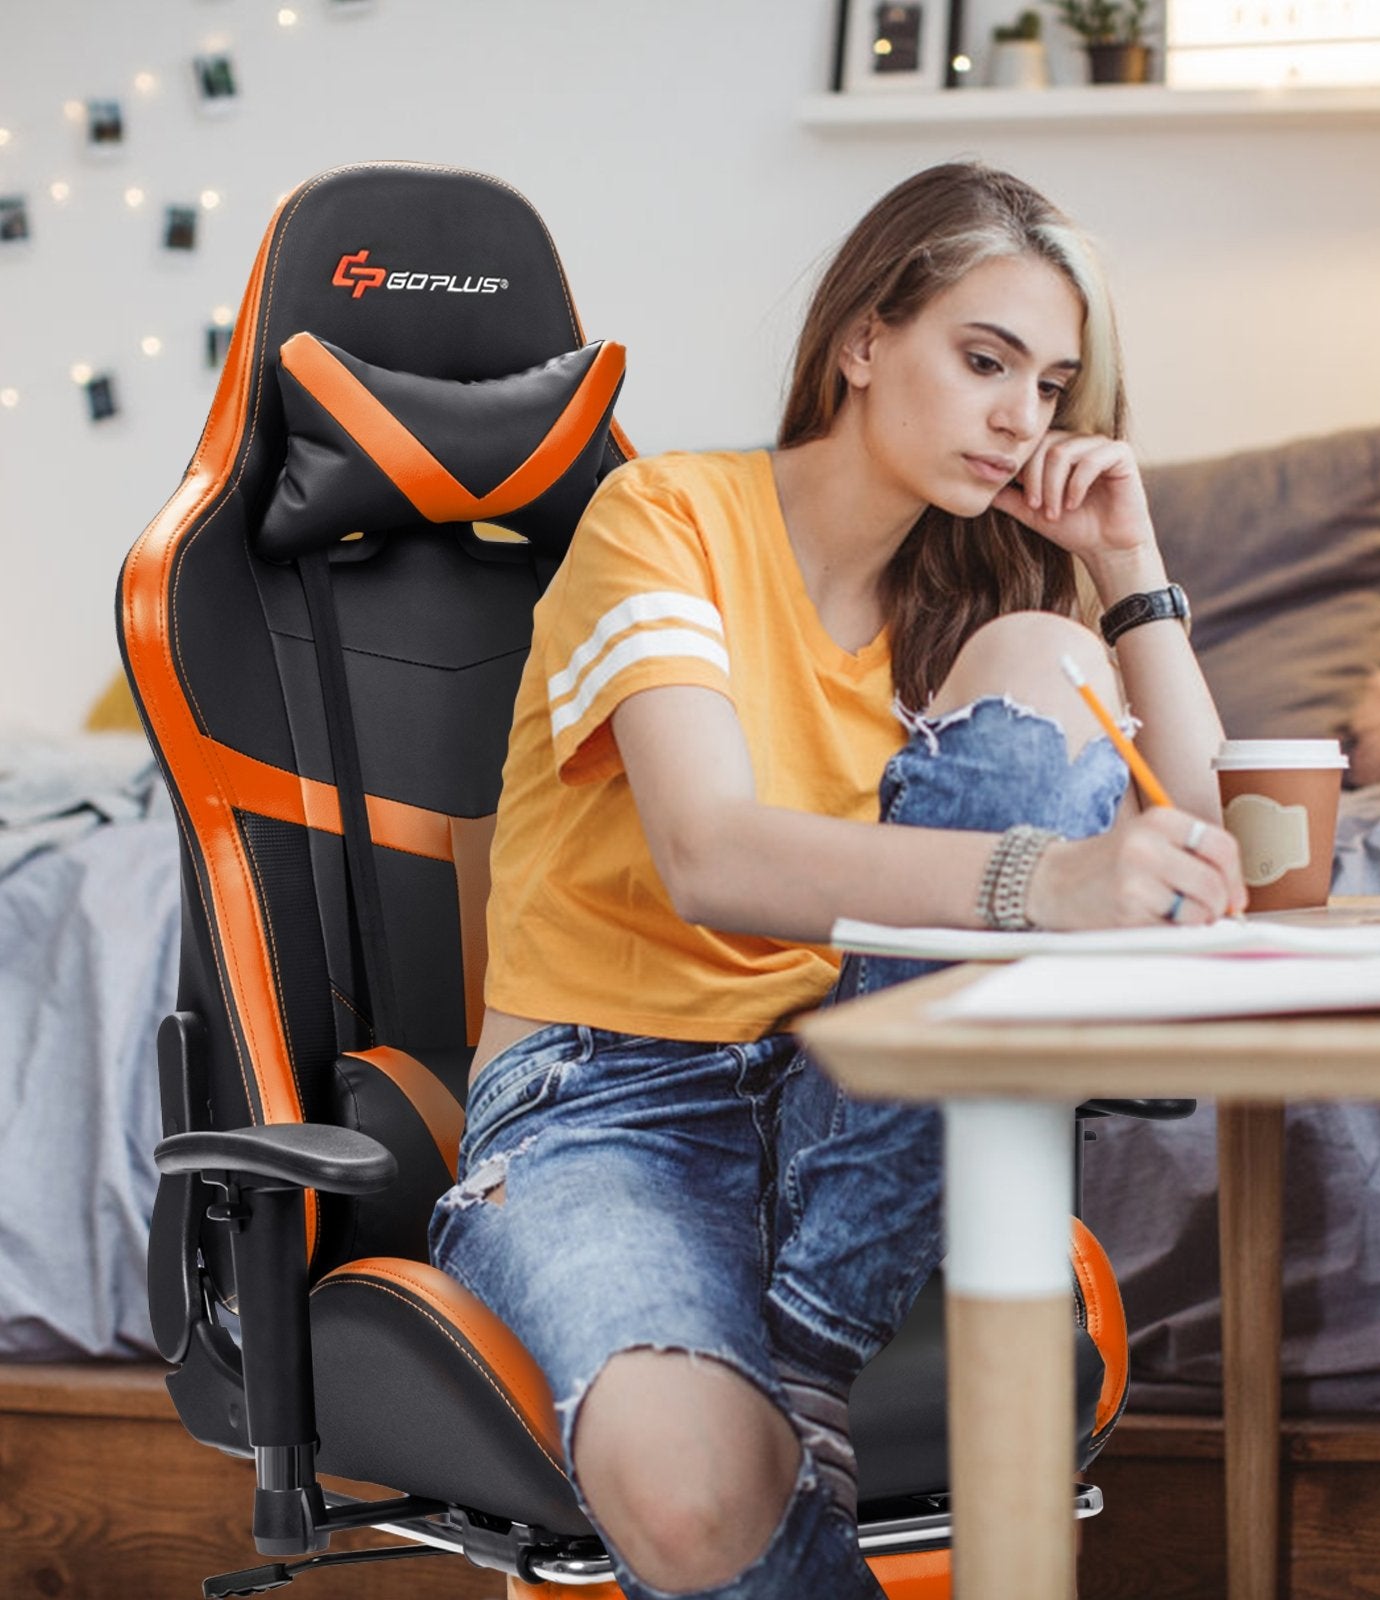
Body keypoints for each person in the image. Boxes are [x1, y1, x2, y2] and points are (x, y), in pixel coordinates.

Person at [429, 160, 1244, 1600]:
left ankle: (807, 1332)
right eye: (983, 360)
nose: (1019, 419)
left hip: (853, 1090)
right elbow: (710, 856)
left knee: (1053, 659)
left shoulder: (994, 614)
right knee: (692, 1501)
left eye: (1051, 387)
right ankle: (808, 1357)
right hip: (605, 1098)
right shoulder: (662, 520)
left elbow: (1210, 856)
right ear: (864, 340)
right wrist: (1043, 882)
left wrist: (1128, 564)